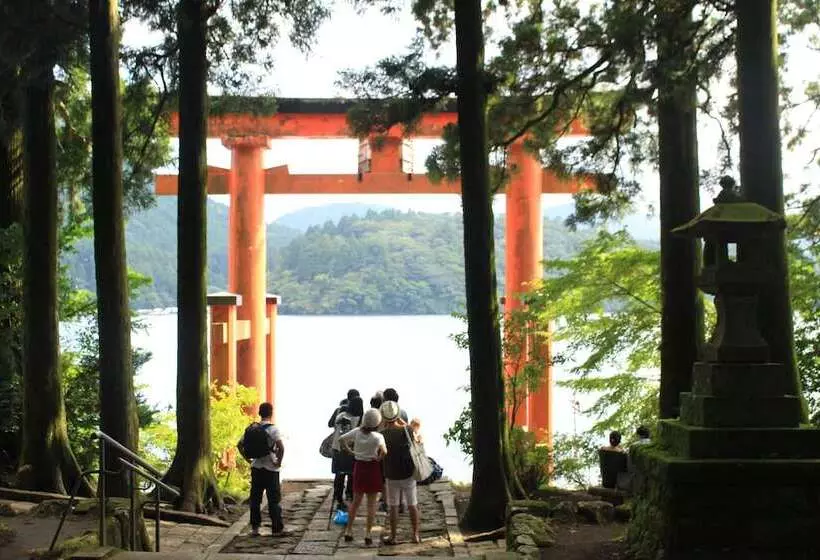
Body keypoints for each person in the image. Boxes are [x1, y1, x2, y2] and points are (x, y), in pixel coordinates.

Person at [339, 408, 386, 545]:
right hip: (372, 468)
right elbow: (385, 451)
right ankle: (368, 534)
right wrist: (378, 457)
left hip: (359, 467)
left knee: (356, 502)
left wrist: (350, 451)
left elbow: (341, 439)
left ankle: (348, 531)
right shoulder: (378, 437)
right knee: (371, 504)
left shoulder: (357, 432)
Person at [237, 402, 284, 536]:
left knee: (255, 499)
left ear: (259, 413)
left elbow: (239, 445)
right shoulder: (273, 430)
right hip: (271, 469)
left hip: (256, 468)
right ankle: (276, 528)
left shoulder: (252, 429)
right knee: (273, 500)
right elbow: (281, 447)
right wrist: (278, 462)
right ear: (271, 413)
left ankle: (255, 528)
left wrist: (248, 460)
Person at [380, 401, 421, 544]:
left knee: (393, 506)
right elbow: (414, 434)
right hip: (408, 473)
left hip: (391, 474)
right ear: (397, 415)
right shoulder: (407, 430)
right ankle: (415, 535)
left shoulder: (382, 434)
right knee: (412, 504)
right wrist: (402, 422)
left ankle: (393, 536)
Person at [331, 395, 363, 511]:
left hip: (337, 448)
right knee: (352, 474)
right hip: (350, 450)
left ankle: (338, 497)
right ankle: (350, 494)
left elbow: (334, 426)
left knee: (339, 475)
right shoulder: (359, 419)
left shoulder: (340, 415)